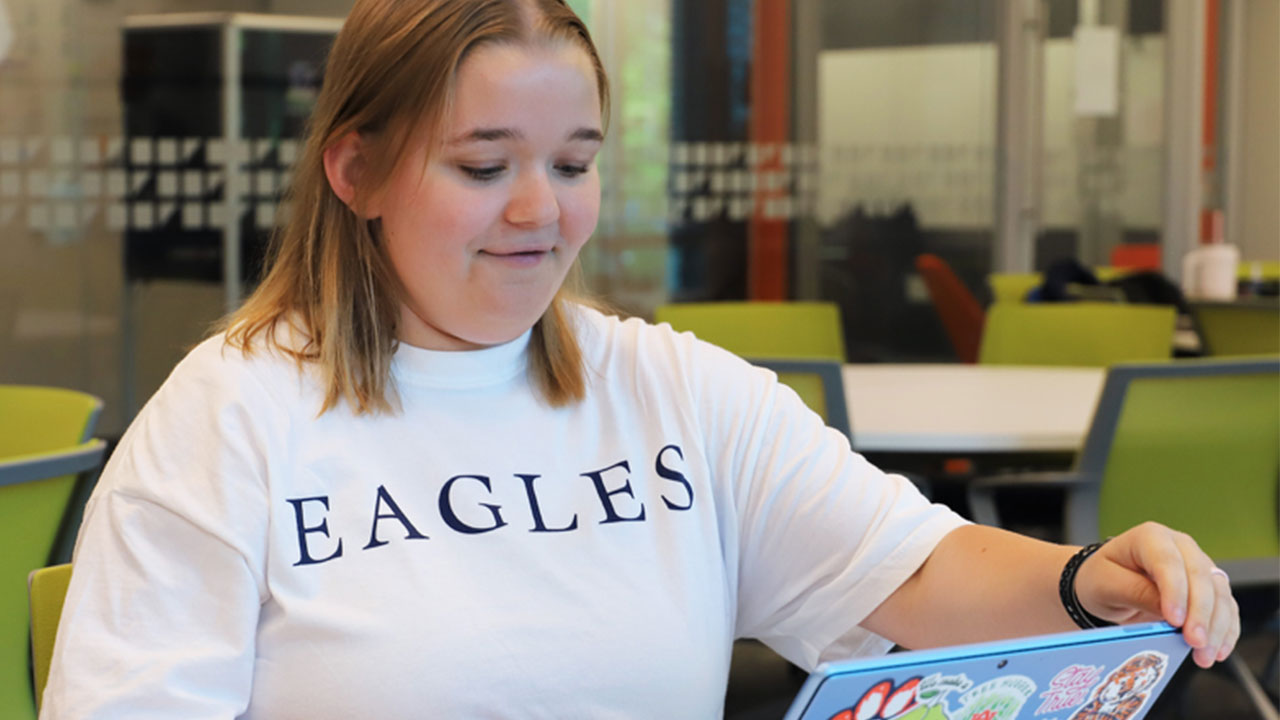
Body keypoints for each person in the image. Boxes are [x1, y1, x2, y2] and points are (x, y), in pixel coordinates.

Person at [42, 0, 1239, 717]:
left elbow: (912, 574)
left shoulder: (667, 387)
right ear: (354, 171)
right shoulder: (229, 418)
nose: (538, 211)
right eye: (481, 165)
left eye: (571, 165)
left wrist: (1093, 579)